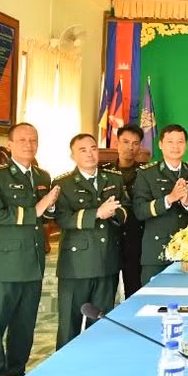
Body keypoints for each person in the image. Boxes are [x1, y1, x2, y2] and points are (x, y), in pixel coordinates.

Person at [0, 122, 60, 376]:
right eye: (22, 140)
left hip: (32, 264)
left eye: (33, 140)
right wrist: (36, 209)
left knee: (24, 328)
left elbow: (45, 217)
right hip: (4, 266)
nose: (29, 144)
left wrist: (50, 208)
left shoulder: (42, 176)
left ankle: (16, 375)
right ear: (9, 144)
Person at [53, 134, 129, 349]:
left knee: (102, 323)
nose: (89, 154)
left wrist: (113, 212)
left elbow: (125, 210)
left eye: (93, 148)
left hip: (107, 260)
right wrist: (96, 213)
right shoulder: (63, 183)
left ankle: (99, 362)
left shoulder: (113, 179)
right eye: (83, 150)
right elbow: (61, 218)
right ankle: (66, 365)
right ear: (72, 155)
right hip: (76, 265)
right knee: (70, 324)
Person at [133, 124, 188, 284]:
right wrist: (170, 198)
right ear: (161, 144)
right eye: (170, 142)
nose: (175, 146)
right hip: (157, 252)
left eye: (180, 142)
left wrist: (187, 202)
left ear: (186, 145)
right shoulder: (146, 174)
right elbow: (140, 211)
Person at [101, 124, 144, 298]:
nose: (130, 147)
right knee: (105, 292)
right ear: (117, 143)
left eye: (135, 143)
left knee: (134, 290)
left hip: (135, 237)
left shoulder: (146, 173)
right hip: (109, 237)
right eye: (125, 142)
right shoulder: (103, 173)